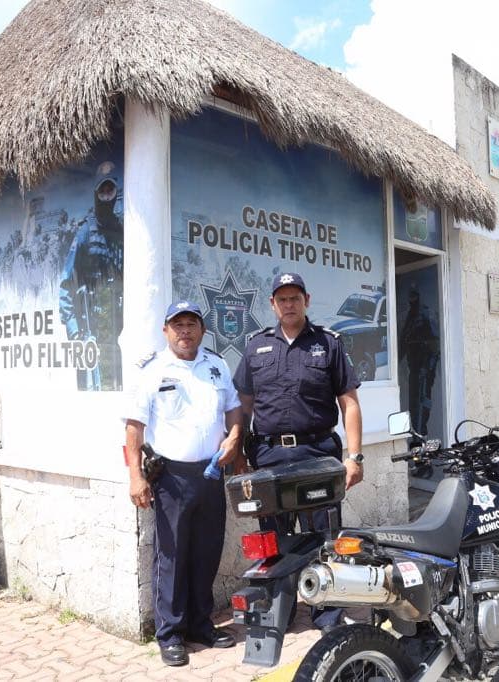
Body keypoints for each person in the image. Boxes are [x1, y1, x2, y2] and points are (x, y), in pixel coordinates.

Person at [233, 272, 364, 632]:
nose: (289, 304)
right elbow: (243, 406)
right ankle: (280, 612)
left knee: (324, 537)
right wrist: (238, 453)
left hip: (317, 453)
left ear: (306, 300)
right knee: (272, 541)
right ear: (273, 304)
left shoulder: (328, 343)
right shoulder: (256, 346)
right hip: (269, 457)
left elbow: (349, 403)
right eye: (282, 299)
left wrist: (354, 456)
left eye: (295, 298)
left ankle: (329, 616)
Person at [123, 301, 243, 667]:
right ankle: (170, 634)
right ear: (166, 331)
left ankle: (200, 625)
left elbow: (234, 407)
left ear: (202, 331)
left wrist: (236, 437)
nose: (185, 331)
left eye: (192, 324)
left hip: (211, 473)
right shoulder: (151, 370)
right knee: (172, 557)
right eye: (178, 325)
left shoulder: (216, 366)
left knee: (206, 553)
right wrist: (135, 476)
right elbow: (133, 425)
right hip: (171, 477)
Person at [59, 163, 124, 391]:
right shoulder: (85, 231)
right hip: (90, 328)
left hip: (116, 327)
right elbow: (66, 282)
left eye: (111, 191)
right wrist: (74, 328)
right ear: (96, 194)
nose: (107, 196)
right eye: (102, 191)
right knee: (91, 387)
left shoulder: (122, 232)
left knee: (118, 385)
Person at [399, 285, 440, 436]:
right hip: (414, 368)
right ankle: (416, 435)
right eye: (411, 297)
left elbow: (435, 344)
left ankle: (422, 432)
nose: (412, 300)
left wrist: (429, 369)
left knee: (423, 402)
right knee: (414, 405)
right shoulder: (410, 316)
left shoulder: (426, 314)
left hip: (425, 367)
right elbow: (404, 341)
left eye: (414, 296)